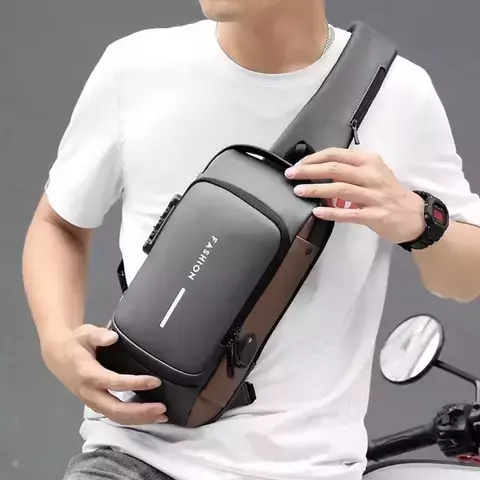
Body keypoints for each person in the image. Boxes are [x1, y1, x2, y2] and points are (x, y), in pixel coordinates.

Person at [22, 1, 480, 479]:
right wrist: (57, 341)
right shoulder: (136, 67)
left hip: (310, 469)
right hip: (135, 452)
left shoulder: (400, 95)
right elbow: (59, 225)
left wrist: (419, 220)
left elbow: (466, 279)